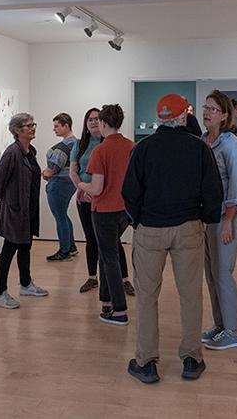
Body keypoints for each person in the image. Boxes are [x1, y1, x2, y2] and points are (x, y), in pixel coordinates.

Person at [122, 93, 223, 383]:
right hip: (188, 226)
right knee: (191, 293)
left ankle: (147, 362)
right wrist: (205, 218)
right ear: (183, 117)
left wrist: (139, 220)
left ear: (160, 118)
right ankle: (192, 359)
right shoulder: (199, 148)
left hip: (150, 229)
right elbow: (213, 191)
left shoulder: (143, 149)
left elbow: (130, 192)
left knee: (146, 296)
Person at [78, 104, 135, 325]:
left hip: (104, 212)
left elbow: (97, 189)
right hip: (125, 211)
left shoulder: (99, 151)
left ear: (103, 123)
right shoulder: (132, 147)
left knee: (109, 259)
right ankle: (107, 301)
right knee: (106, 254)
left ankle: (119, 311)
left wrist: (82, 184)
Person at [200, 90, 237, 350]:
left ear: (225, 115)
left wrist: (229, 220)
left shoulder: (231, 144)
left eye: (213, 109)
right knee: (211, 273)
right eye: (205, 107)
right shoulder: (203, 140)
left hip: (224, 219)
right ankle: (220, 325)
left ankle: (233, 330)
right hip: (207, 218)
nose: (207, 113)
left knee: (223, 273)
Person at [0, 113, 49, 309]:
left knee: (25, 246)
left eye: (33, 124)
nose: (32, 128)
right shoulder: (12, 152)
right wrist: (0, 199)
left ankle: (25, 284)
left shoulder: (29, 151)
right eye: (28, 125)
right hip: (16, 208)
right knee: (9, 249)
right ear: (17, 130)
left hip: (28, 207)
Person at [42, 113, 79, 261]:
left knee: (60, 217)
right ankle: (71, 246)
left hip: (59, 184)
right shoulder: (78, 143)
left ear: (66, 125)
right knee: (63, 215)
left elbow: (53, 169)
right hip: (70, 183)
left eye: (57, 126)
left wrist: (45, 172)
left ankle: (64, 251)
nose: (54, 129)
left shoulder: (63, 146)